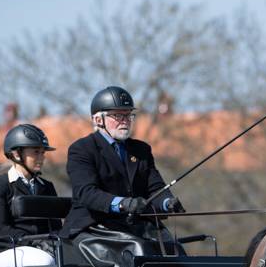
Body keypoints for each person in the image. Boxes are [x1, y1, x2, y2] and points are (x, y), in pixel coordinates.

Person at [62, 85, 184, 239]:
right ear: (98, 120)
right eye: (118, 116)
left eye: (128, 115)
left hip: (136, 226)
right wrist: (122, 203)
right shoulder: (82, 149)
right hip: (94, 227)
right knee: (136, 250)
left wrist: (167, 202)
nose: (125, 121)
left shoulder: (141, 150)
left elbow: (155, 188)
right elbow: (86, 193)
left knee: (174, 249)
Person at [0, 123, 60, 267]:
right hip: (8, 248)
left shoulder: (47, 187)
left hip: (45, 248)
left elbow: (55, 227)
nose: (42, 158)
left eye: (43, 153)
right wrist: (35, 242)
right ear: (17, 154)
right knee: (45, 261)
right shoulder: (0, 185)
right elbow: (1, 230)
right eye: (36, 152)